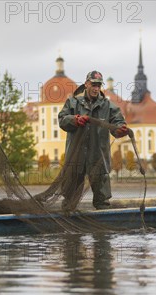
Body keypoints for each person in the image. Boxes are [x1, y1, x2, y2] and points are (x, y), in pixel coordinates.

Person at [58, 70, 129, 210]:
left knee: (102, 202)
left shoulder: (109, 106)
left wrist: (120, 130)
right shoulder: (72, 102)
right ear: (86, 84)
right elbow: (62, 120)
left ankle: (103, 229)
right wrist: (75, 120)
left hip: (99, 159)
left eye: (98, 85)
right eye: (93, 84)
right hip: (75, 158)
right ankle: (69, 226)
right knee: (69, 201)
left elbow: (118, 124)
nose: (96, 88)